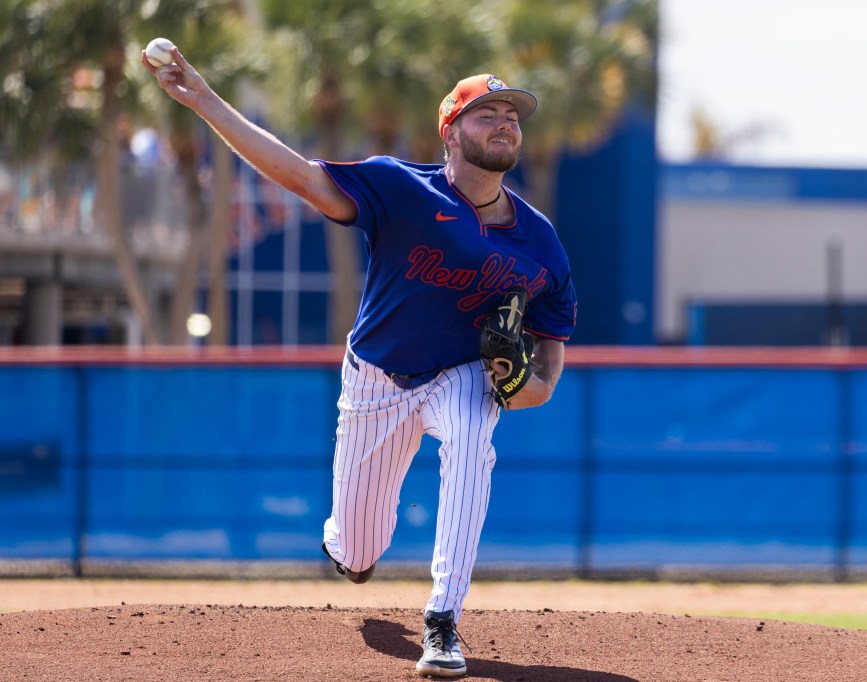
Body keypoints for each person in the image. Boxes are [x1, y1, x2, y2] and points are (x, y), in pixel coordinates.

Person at [145, 46, 577, 678]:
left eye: (512, 113)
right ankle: (348, 549)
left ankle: (443, 618)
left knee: (471, 434)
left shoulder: (541, 243)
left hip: (457, 376)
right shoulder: (400, 187)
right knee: (358, 550)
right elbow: (296, 174)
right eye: (487, 113)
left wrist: (522, 388)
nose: (505, 122)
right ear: (450, 132)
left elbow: (548, 361)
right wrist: (205, 100)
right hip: (375, 380)